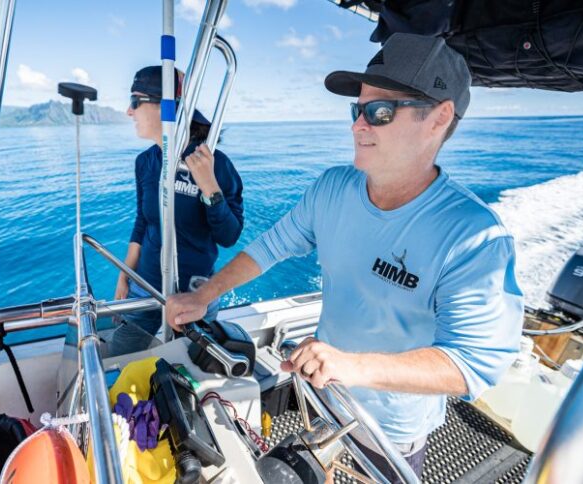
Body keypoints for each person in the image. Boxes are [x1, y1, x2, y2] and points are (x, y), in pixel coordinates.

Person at [165, 33, 523, 482]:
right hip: (323, 398)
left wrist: (350, 364)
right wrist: (208, 294)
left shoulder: (474, 235)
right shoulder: (332, 188)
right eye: (357, 110)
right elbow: (272, 246)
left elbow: (473, 362)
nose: (358, 125)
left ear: (439, 117)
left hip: (388, 431)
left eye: (380, 112)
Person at [113, 65, 244, 353]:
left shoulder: (215, 164)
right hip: (143, 288)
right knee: (119, 356)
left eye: (135, 101)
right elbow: (142, 222)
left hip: (195, 296)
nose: (128, 111)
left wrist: (209, 186)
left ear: (166, 107)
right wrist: (125, 275)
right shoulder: (145, 162)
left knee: (186, 369)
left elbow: (229, 236)